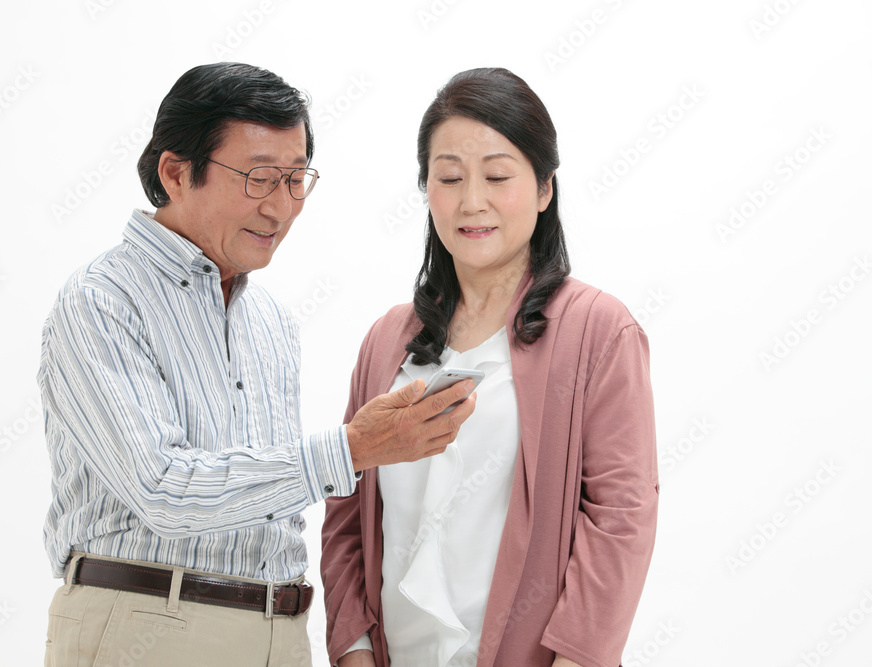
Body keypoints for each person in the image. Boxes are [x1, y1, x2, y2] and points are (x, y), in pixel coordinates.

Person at [38, 62, 476, 667]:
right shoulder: (102, 300)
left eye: (296, 179)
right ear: (175, 173)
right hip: (148, 625)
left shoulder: (269, 319)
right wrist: (353, 449)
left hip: (280, 631)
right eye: (260, 178)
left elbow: (272, 507)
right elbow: (163, 492)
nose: (281, 207)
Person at [321, 67, 658, 667]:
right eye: (449, 177)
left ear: (545, 188)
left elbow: (621, 518)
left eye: (498, 176)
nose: (472, 201)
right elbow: (345, 512)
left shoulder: (598, 330)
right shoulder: (387, 341)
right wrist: (353, 650)